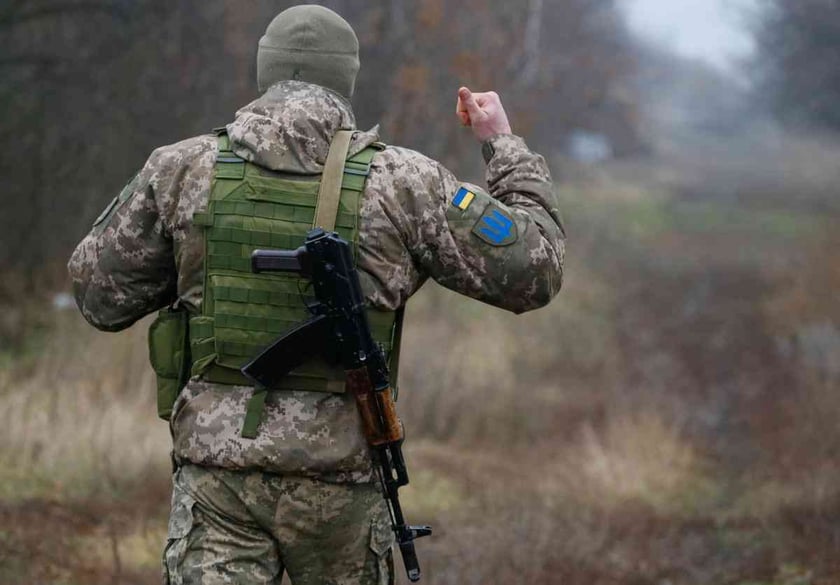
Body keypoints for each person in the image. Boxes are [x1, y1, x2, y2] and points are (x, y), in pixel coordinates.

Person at [68, 4, 565, 584]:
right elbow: (537, 269)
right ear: (347, 78)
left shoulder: (180, 169)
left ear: (265, 72)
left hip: (217, 483)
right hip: (342, 487)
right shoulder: (403, 182)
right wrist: (502, 145)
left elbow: (99, 297)